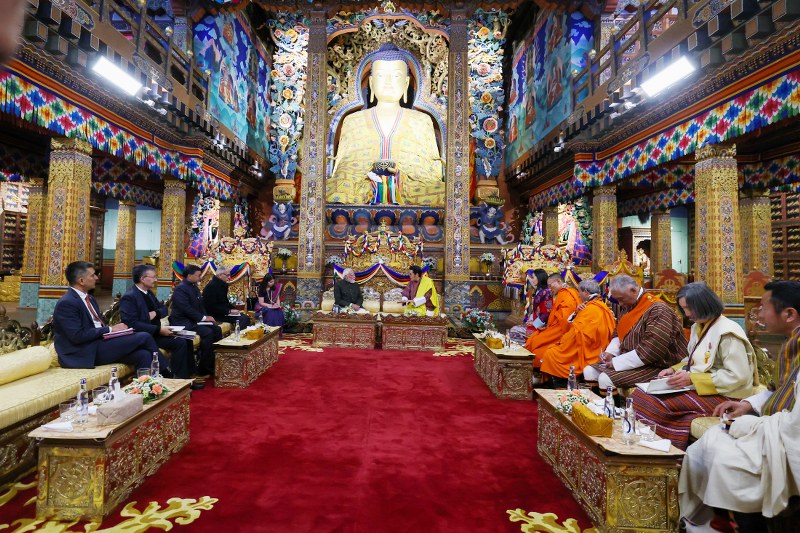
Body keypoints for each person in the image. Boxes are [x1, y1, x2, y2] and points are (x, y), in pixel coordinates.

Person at [680, 281, 800, 531]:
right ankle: (705, 520)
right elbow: (776, 389)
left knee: (727, 460)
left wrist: (751, 425)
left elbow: (795, 425)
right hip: (771, 423)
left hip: (786, 435)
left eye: (763, 307)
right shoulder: (791, 343)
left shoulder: (729, 331)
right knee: (707, 445)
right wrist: (748, 404)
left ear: (789, 314)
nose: (757, 315)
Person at [632, 282, 756, 450]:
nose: (687, 314)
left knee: (655, 403)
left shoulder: (728, 333)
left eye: (690, 308)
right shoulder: (699, 326)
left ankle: (668, 450)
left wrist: (692, 378)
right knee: (641, 394)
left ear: (704, 304)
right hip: (701, 387)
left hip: (728, 394)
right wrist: (673, 370)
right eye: (684, 309)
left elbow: (738, 376)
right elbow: (693, 359)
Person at [326, 43, 445, 206]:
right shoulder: (353, 120)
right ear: (372, 83)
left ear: (406, 83)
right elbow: (343, 170)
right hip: (361, 190)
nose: (388, 82)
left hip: (410, 190)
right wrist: (371, 177)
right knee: (331, 190)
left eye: (396, 76)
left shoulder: (421, 120)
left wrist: (400, 177)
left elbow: (430, 174)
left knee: (446, 193)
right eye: (382, 76)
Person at [52, 261, 166, 371]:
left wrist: (116, 332)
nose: (97, 278)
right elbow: (77, 336)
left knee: (143, 355)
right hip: (82, 352)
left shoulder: (89, 298)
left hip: (99, 343)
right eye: (93, 275)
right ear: (81, 280)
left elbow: (97, 325)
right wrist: (110, 329)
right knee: (144, 336)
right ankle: (168, 372)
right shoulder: (67, 303)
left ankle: (143, 388)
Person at [584, 274, 688, 389]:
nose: (620, 304)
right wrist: (611, 353)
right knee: (589, 371)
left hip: (658, 365)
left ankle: (617, 407)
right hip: (632, 361)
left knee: (605, 378)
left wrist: (617, 362)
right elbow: (618, 332)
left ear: (633, 290)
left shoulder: (658, 309)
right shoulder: (628, 305)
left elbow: (651, 350)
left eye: (621, 299)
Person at [120, 264, 202, 388]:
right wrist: (158, 329)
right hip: (142, 336)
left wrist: (155, 313)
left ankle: (183, 378)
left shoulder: (149, 293)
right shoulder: (130, 297)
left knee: (184, 340)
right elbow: (132, 324)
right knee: (180, 342)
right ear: (143, 279)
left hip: (155, 333)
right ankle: (174, 380)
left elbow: (164, 309)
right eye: (153, 277)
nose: (156, 280)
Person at [539, 280, 615, 381]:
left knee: (551, 353)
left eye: (579, 292)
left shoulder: (592, 308)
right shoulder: (596, 305)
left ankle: (561, 385)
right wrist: (576, 312)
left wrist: (562, 342)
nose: (578, 295)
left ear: (586, 292)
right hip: (591, 347)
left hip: (589, 350)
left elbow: (579, 333)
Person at [170, 264, 222, 377]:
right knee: (208, 333)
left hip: (194, 320)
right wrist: (203, 318)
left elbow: (200, 305)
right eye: (198, 275)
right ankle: (203, 368)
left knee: (216, 330)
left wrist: (207, 317)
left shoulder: (193, 286)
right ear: (189, 276)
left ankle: (213, 364)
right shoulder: (181, 289)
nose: (200, 278)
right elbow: (185, 308)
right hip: (183, 321)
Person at [526, 273, 580, 377]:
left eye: (551, 285)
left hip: (562, 333)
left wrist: (547, 328)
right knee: (533, 339)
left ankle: (542, 378)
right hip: (554, 328)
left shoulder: (568, 294)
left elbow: (565, 322)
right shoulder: (561, 294)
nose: (550, 289)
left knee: (536, 345)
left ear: (559, 282)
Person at [508, 269, 551, 345]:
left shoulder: (546, 292)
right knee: (513, 330)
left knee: (514, 331)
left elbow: (546, 313)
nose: (532, 280)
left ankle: (526, 347)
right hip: (535, 320)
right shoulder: (539, 290)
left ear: (539, 278)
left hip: (542, 325)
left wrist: (535, 323)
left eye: (533, 277)